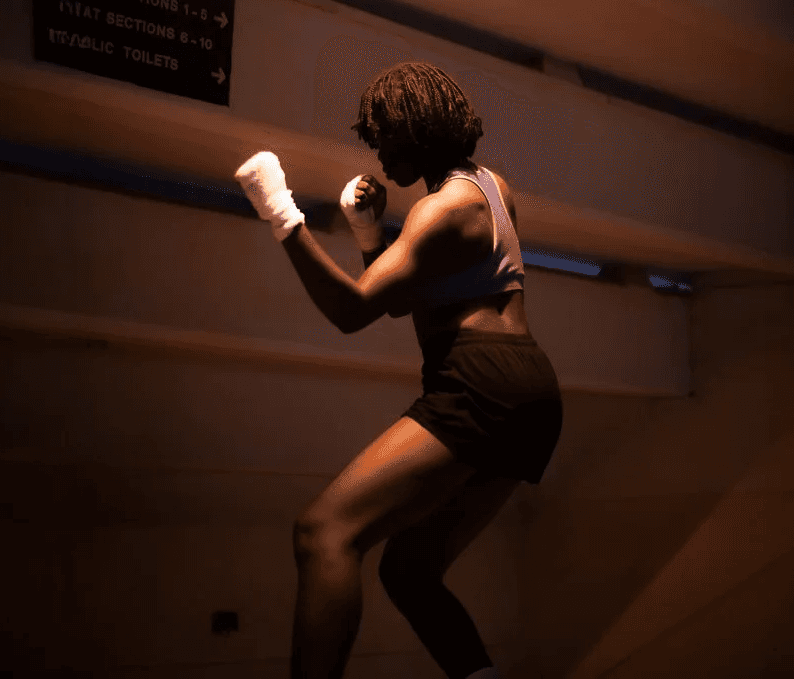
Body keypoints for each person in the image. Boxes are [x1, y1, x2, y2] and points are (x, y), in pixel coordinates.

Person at [235, 61, 562, 679]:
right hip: (531, 396)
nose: (380, 155)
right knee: (409, 572)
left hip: (479, 381)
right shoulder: (491, 187)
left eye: (385, 138)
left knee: (323, 532)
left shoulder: (439, 211)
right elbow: (410, 301)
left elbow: (353, 311)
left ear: (417, 128)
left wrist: (279, 211)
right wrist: (369, 236)